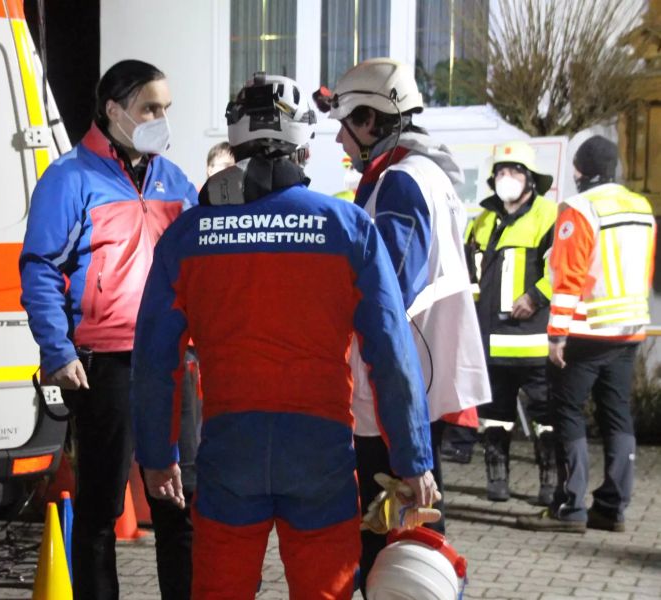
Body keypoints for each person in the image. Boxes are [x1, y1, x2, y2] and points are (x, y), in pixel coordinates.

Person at [131, 72, 438, 600]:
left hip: (230, 448)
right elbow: (391, 350)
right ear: (301, 140)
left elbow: (155, 358)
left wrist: (157, 455)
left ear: (236, 137)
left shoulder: (187, 234)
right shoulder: (347, 227)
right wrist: (412, 459)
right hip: (320, 452)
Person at [19, 59, 197, 599]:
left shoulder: (174, 178)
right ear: (114, 110)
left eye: (165, 109)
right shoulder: (70, 178)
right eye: (150, 108)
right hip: (105, 366)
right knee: (100, 513)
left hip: (170, 361)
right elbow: (40, 268)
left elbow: (198, 264)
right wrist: (57, 349)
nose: (161, 119)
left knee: (180, 505)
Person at [316, 57, 490, 591]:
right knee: (406, 523)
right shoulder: (418, 174)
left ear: (371, 121)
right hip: (411, 378)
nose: (341, 139)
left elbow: (387, 287)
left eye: (345, 124)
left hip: (394, 384)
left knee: (393, 535)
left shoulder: (401, 182)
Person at [518, 135, 655, 533]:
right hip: (629, 329)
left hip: (584, 331)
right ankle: (613, 507)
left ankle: (570, 506)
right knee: (617, 415)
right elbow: (644, 270)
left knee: (566, 413)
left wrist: (556, 334)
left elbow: (568, 277)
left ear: (580, 171)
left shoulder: (579, 209)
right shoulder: (641, 206)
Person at [465, 141, 558, 504]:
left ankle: (550, 483)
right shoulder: (483, 220)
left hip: (533, 342)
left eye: (515, 171)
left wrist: (534, 297)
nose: (508, 178)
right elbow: (469, 273)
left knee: (545, 417)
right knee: (494, 416)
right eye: (501, 172)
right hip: (489, 342)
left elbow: (562, 269)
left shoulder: (549, 215)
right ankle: (497, 478)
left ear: (531, 179)